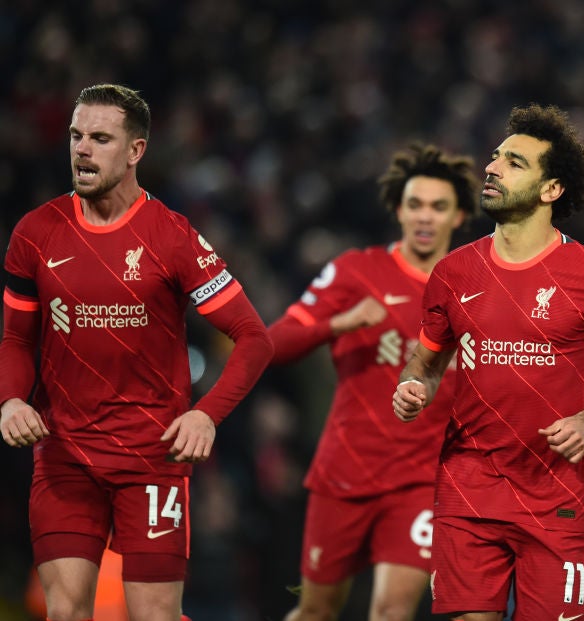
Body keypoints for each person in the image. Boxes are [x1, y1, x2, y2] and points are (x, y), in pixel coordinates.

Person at [0, 83, 273, 621]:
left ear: (135, 151)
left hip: (151, 459)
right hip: (64, 456)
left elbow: (254, 338)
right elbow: (15, 338)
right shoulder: (35, 233)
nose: (82, 148)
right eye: (76, 135)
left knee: (153, 616)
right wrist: (10, 399)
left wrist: (205, 414)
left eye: (100, 138)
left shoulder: (171, 236)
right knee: (66, 612)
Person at [392, 103, 584, 621]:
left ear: (551, 190)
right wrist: (413, 387)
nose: (491, 168)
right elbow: (424, 364)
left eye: (514, 162)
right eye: (495, 157)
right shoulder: (454, 273)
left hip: (555, 497)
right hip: (468, 491)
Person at [267, 142, 480, 621]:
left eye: (438, 206)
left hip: (420, 482)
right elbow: (273, 345)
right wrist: (337, 326)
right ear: (398, 211)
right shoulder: (355, 272)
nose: (425, 217)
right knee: (316, 610)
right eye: (416, 205)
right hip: (344, 473)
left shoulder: (476, 293)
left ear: (460, 215)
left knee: (391, 611)